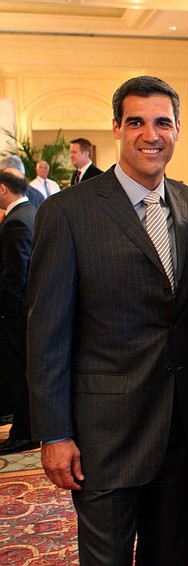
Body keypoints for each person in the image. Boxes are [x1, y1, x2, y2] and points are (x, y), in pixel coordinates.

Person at [27, 76, 188, 565]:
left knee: (171, 556)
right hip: (104, 434)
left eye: (163, 122)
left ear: (177, 130)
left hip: (180, 432)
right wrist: (54, 432)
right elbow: (47, 331)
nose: (151, 134)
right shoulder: (68, 212)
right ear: (116, 129)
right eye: (136, 122)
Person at [0, 168, 38, 454]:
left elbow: (16, 273)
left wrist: (5, 311)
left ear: (3, 189)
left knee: (20, 374)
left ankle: (25, 431)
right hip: (25, 310)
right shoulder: (30, 212)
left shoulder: (16, 221)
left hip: (16, 314)